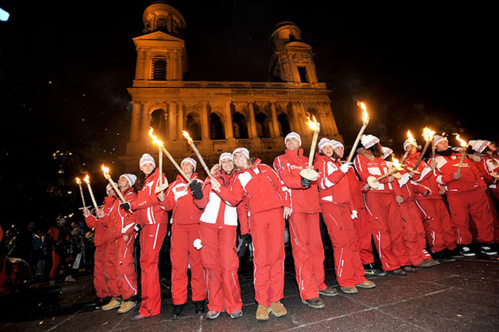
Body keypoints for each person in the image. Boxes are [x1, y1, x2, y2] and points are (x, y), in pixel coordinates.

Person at [211, 147, 291, 321]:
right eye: (235, 157)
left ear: (246, 157)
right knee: (261, 259)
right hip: (257, 218)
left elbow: (281, 185)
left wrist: (287, 204)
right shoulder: (240, 178)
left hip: (276, 214)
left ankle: (276, 300)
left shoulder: (266, 168)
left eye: (239, 156)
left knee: (277, 256)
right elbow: (234, 199)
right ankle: (263, 301)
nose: (237, 159)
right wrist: (219, 189)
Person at [273, 133, 337, 309]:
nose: (290, 141)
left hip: (312, 207)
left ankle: (320, 283)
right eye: (288, 140)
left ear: (299, 143)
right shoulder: (280, 159)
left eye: (294, 139)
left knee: (317, 248)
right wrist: (300, 181)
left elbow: (316, 180)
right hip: (297, 208)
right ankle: (308, 291)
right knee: (301, 250)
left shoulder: (308, 160)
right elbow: (283, 179)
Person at [315, 138, 376, 294]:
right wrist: (340, 172)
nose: (329, 149)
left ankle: (359, 277)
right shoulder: (320, 163)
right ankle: (346, 280)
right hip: (330, 206)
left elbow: (346, 189)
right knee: (341, 244)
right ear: (320, 149)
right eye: (325, 147)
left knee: (352, 242)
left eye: (330, 147)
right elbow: (323, 184)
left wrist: (351, 207)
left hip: (344, 206)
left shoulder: (335, 163)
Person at [353, 134, 413, 275]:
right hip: (374, 197)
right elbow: (366, 176)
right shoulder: (360, 158)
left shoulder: (381, 160)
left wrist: (397, 192)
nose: (380, 146)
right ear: (373, 145)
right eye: (378, 144)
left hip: (389, 196)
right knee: (381, 231)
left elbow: (392, 177)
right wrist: (386, 180)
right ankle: (390, 264)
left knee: (396, 229)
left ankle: (403, 261)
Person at [197, 153, 246, 319]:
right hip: (208, 225)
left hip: (227, 226)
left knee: (229, 265)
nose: (226, 163)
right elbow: (201, 203)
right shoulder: (210, 179)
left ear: (233, 163)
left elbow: (234, 200)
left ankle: (233, 304)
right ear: (219, 164)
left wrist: (219, 186)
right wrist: (197, 194)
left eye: (229, 161)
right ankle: (215, 304)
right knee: (211, 265)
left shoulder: (238, 179)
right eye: (223, 161)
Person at [157, 157, 207, 319]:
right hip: (178, 228)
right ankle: (178, 301)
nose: (185, 166)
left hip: (196, 228)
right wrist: (161, 198)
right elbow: (167, 206)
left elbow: (203, 203)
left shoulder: (199, 183)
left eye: (188, 164)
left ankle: (199, 299)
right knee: (178, 266)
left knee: (197, 264)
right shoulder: (173, 185)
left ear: (193, 168)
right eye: (183, 164)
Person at [329, 139, 386, 276]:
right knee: (352, 239)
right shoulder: (333, 167)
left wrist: (364, 187)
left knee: (364, 237)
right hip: (347, 207)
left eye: (342, 148)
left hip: (359, 205)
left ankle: (368, 263)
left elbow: (355, 185)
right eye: (337, 148)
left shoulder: (348, 166)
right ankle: (356, 265)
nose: (340, 151)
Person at [432, 135, 497, 256]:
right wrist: (451, 177)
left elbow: (475, 171)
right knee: (460, 220)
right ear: (435, 146)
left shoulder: (460, 155)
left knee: (484, 218)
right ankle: (465, 244)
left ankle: (487, 242)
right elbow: (437, 179)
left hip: (475, 191)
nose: (444, 144)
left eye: (445, 142)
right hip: (456, 194)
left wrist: (482, 186)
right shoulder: (434, 161)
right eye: (441, 143)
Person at [124, 153, 169, 320]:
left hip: (156, 222)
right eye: (145, 165)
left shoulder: (160, 176)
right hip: (146, 225)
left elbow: (154, 199)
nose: (148, 167)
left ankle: (151, 307)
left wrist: (133, 204)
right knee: (144, 263)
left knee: (149, 262)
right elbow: (142, 208)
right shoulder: (145, 182)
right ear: (140, 168)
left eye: (150, 164)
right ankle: (147, 304)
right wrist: (137, 222)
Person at [384, 146, 439, 269]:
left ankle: (423, 253)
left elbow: (411, 183)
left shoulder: (399, 168)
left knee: (419, 229)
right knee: (410, 232)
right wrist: (406, 177)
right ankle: (415, 258)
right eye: (389, 154)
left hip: (411, 201)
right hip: (401, 204)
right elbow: (396, 184)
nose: (391, 155)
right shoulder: (387, 169)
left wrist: (422, 189)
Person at [402, 140, 456, 261]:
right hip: (423, 198)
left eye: (414, 145)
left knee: (445, 223)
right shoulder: (405, 163)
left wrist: (439, 187)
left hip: (436, 195)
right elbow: (415, 179)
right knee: (433, 224)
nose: (412, 148)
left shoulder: (422, 162)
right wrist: (428, 173)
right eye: (409, 146)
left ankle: (450, 247)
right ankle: (438, 250)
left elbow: (433, 177)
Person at [97, 174, 139, 314]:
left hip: (124, 236)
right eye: (119, 178)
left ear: (129, 182)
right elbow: (111, 221)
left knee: (123, 265)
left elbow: (134, 215)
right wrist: (103, 217)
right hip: (113, 238)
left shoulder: (131, 196)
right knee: (111, 268)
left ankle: (130, 297)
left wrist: (128, 232)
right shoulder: (116, 200)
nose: (119, 180)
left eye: (122, 178)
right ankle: (118, 295)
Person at [83, 184, 116, 309]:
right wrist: (88, 216)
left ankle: (111, 295)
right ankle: (102, 295)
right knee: (99, 271)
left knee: (110, 270)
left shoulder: (117, 205)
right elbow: (96, 224)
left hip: (110, 241)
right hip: (100, 242)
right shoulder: (103, 206)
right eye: (110, 189)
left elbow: (113, 223)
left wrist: (104, 217)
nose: (112, 191)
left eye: (114, 188)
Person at [468, 140, 499, 245]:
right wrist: (493, 177)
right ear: (484, 148)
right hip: (493, 189)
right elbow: (485, 176)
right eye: (490, 144)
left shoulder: (495, 157)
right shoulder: (481, 160)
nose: (493, 145)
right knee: (491, 216)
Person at [46, 215, 70, 286]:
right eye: (61, 220)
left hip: (64, 248)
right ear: (58, 221)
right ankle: (51, 279)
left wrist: (67, 242)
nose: (63, 222)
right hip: (56, 249)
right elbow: (47, 240)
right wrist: (55, 243)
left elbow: (67, 237)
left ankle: (68, 276)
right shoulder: (53, 229)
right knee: (56, 264)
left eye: (64, 220)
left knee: (67, 262)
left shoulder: (65, 228)